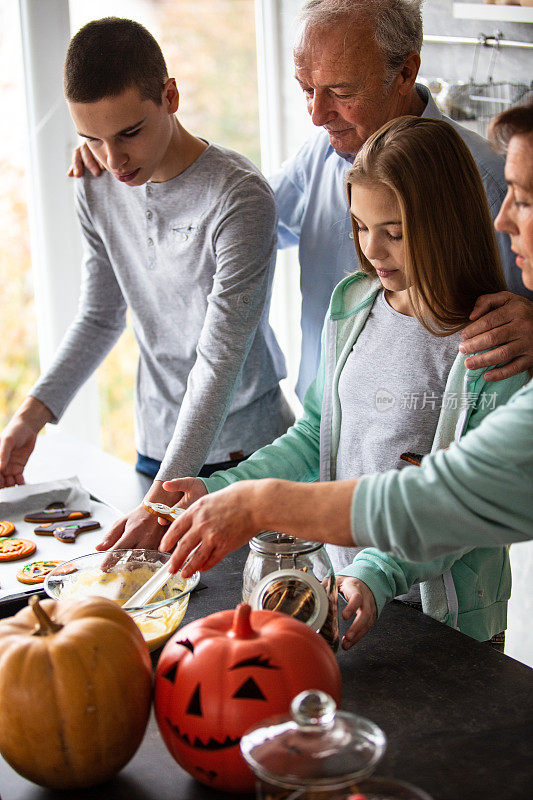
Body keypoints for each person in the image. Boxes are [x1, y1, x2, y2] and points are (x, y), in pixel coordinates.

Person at [158, 116, 528, 650]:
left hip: (450, 625)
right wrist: (221, 490)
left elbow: (452, 509)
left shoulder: (492, 346)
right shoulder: (354, 305)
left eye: (394, 233)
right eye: (360, 226)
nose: (373, 250)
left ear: (446, 223)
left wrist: (375, 574)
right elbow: (314, 437)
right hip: (344, 594)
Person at [71, 1, 533, 412]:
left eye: (341, 92)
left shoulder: (492, 180)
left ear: (406, 72)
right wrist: (125, 145)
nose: (316, 113)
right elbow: (236, 221)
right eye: (305, 88)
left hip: (428, 459)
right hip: (321, 437)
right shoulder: (322, 152)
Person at [0, 18, 294, 552]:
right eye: (93, 138)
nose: (114, 160)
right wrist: (30, 416)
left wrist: (159, 503)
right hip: (155, 449)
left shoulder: (239, 197)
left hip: (243, 456)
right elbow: (100, 315)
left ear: (170, 95)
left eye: (129, 133)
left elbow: (220, 356)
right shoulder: (96, 184)